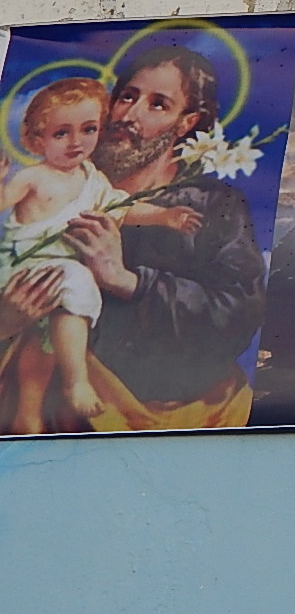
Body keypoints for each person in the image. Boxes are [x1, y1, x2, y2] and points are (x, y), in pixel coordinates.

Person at [0, 45, 268, 433]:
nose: (129, 115)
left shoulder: (212, 206)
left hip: (169, 424)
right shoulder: (63, 179)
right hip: (44, 425)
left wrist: (128, 281)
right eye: (127, 97)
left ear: (186, 122)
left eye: (158, 105)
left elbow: (236, 312)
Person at [0, 77, 201, 433]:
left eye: (88, 129)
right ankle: (75, 382)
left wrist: (164, 216)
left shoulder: (92, 179)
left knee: (44, 346)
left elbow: (122, 208)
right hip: (23, 268)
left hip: (59, 274)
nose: (77, 142)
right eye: (62, 133)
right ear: (35, 140)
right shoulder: (33, 177)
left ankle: (31, 411)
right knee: (76, 283)